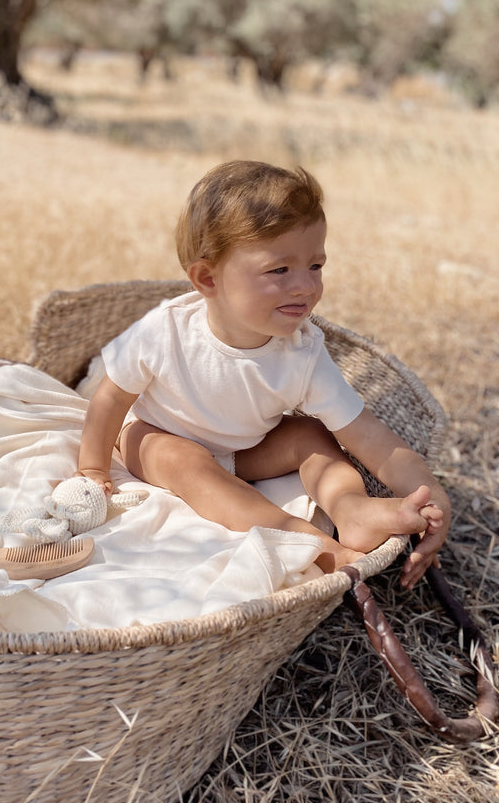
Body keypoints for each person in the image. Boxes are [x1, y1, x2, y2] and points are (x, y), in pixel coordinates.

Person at [76, 160, 449, 588]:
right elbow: (110, 399)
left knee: (313, 436)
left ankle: (351, 510)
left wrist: (430, 490)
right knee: (185, 461)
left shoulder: (302, 352)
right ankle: (308, 543)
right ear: (207, 278)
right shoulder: (165, 333)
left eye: (316, 266)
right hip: (155, 434)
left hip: (246, 449)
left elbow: (368, 435)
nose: (306, 286)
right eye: (280, 270)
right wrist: (92, 469)